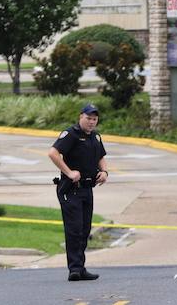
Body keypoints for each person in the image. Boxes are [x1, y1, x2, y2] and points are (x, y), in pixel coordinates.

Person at [47, 104, 108, 281]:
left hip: (88, 189)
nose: (91, 122)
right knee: (74, 229)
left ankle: (80, 268)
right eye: (88, 118)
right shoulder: (71, 134)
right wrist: (69, 172)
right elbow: (53, 153)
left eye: (94, 119)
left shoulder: (95, 137)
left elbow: (101, 157)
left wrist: (104, 172)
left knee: (84, 229)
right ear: (80, 117)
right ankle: (74, 269)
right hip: (71, 189)